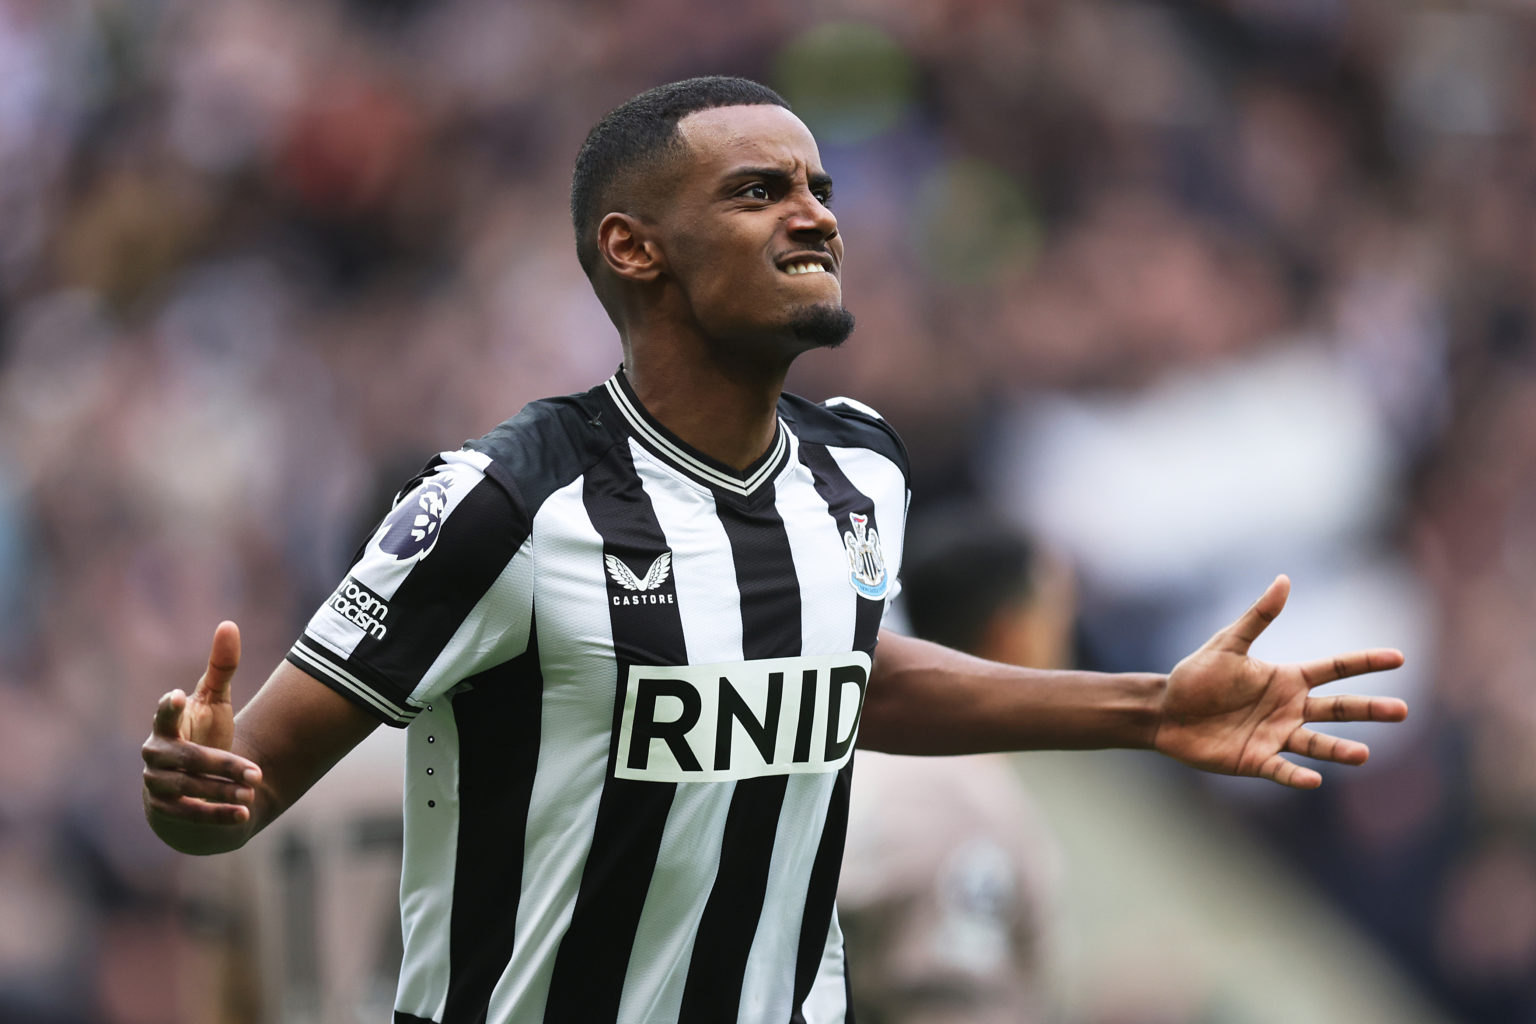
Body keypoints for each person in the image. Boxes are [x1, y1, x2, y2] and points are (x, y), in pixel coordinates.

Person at [140, 77, 1408, 1024]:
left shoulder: (860, 472)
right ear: (634, 248)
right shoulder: (503, 502)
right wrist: (193, 785)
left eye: (821, 190)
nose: (816, 217)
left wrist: (1144, 706)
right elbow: (240, 795)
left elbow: (847, 673)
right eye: (761, 192)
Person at [840, 508, 1074, 1024]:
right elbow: (944, 1003)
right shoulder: (961, 799)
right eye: (1057, 613)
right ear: (1014, 633)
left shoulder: (859, 747)